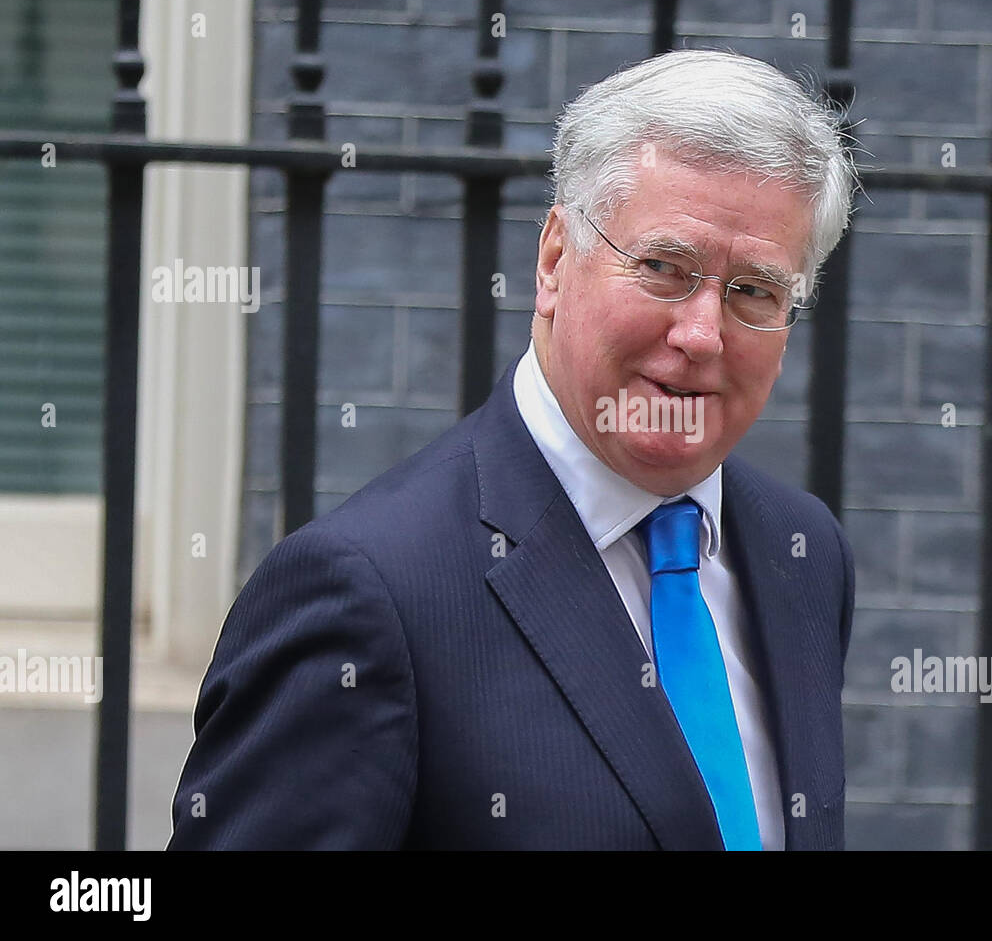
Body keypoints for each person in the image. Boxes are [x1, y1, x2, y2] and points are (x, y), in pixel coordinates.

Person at [168, 48, 858, 850]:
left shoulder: (802, 556)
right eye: (666, 268)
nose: (702, 334)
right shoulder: (368, 595)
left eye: (754, 292)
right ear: (556, 260)